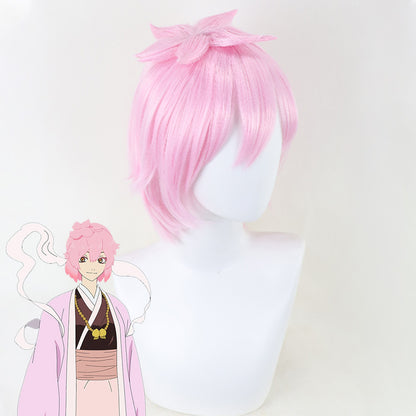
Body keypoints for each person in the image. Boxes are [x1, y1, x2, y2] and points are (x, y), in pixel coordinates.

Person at [7, 220, 150, 416]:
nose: (92, 266)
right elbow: (44, 364)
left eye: (100, 259)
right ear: (74, 260)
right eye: (84, 258)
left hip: (114, 392)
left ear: (107, 262)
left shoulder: (118, 309)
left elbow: (131, 364)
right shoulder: (57, 309)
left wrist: (137, 409)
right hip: (75, 392)